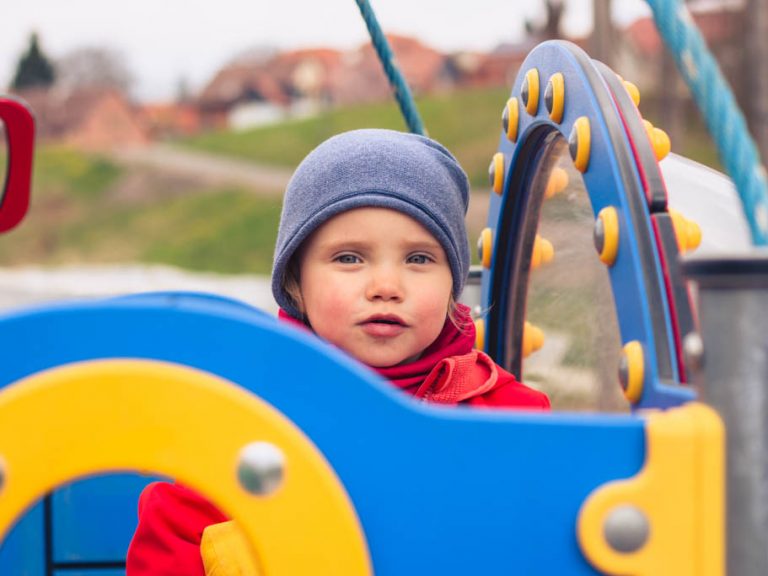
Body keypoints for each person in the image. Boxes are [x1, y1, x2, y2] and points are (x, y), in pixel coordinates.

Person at [126, 129, 550, 575]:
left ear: (453, 283)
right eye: (349, 258)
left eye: (419, 259)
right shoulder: (242, 425)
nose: (386, 287)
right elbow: (172, 546)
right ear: (296, 282)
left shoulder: (512, 417)